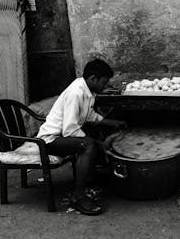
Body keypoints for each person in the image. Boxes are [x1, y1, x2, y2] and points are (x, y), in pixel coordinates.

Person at [37, 59, 126, 215]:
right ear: (93, 79)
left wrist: (114, 123)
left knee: (94, 138)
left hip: (63, 136)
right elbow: (70, 129)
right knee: (89, 145)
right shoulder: (76, 93)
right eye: (104, 83)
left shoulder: (87, 90)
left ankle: (89, 179)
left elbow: (89, 115)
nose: (105, 87)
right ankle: (78, 196)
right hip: (50, 140)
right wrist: (98, 144)